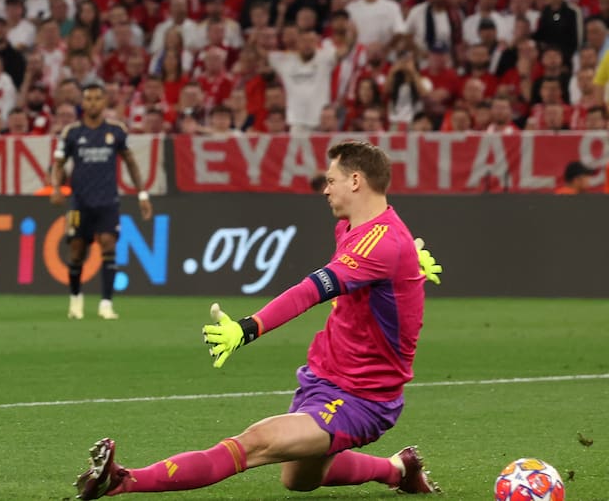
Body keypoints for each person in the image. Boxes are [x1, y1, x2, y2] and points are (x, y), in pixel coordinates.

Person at [74, 141, 441, 498]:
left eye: (331, 180)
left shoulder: (382, 242)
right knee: (297, 479)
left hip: (363, 396)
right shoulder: (351, 229)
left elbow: (310, 291)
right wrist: (409, 268)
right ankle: (398, 470)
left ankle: (124, 480)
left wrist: (247, 328)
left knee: (252, 445)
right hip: (325, 377)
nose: (325, 190)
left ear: (356, 181)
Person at [50, 80, 154, 321]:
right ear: (82, 103)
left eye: (97, 98)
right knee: (76, 251)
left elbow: (130, 161)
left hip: (108, 201)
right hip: (79, 202)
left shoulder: (116, 131)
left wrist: (142, 194)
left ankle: (106, 303)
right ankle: (76, 300)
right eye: (88, 98)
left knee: (108, 244)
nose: (93, 103)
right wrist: (56, 188)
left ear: (105, 102)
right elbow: (58, 164)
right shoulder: (72, 132)